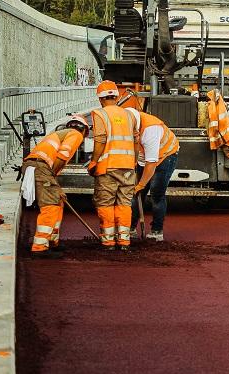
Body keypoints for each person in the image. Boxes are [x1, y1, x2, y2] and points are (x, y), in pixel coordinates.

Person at [21, 116, 88, 258]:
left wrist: (55, 186)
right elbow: (62, 156)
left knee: (58, 201)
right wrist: (53, 180)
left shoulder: (59, 134)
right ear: (83, 130)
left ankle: (52, 241)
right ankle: (40, 246)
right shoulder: (75, 134)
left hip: (37, 166)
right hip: (42, 167)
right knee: (50, 205)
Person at [89, 80, 139, 251]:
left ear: (100, 99)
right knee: (125, 203)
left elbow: (100, 139)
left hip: (107, 167)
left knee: (106, 203)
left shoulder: (100, 114)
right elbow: (136, 141)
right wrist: (133, 161)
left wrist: (94, 161)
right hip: (127, 167)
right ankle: (124, 241)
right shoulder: (129, 115)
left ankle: (109, 242)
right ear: (117, 96)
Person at [125, 108, 179, 241]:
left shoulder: (150, 130)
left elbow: (151, 163)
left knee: (156, 194)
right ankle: (130, 228)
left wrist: (141, 184)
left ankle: (157, 231)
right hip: (145, 157)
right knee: (136, 194)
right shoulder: (126, 122)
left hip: (164, 156)